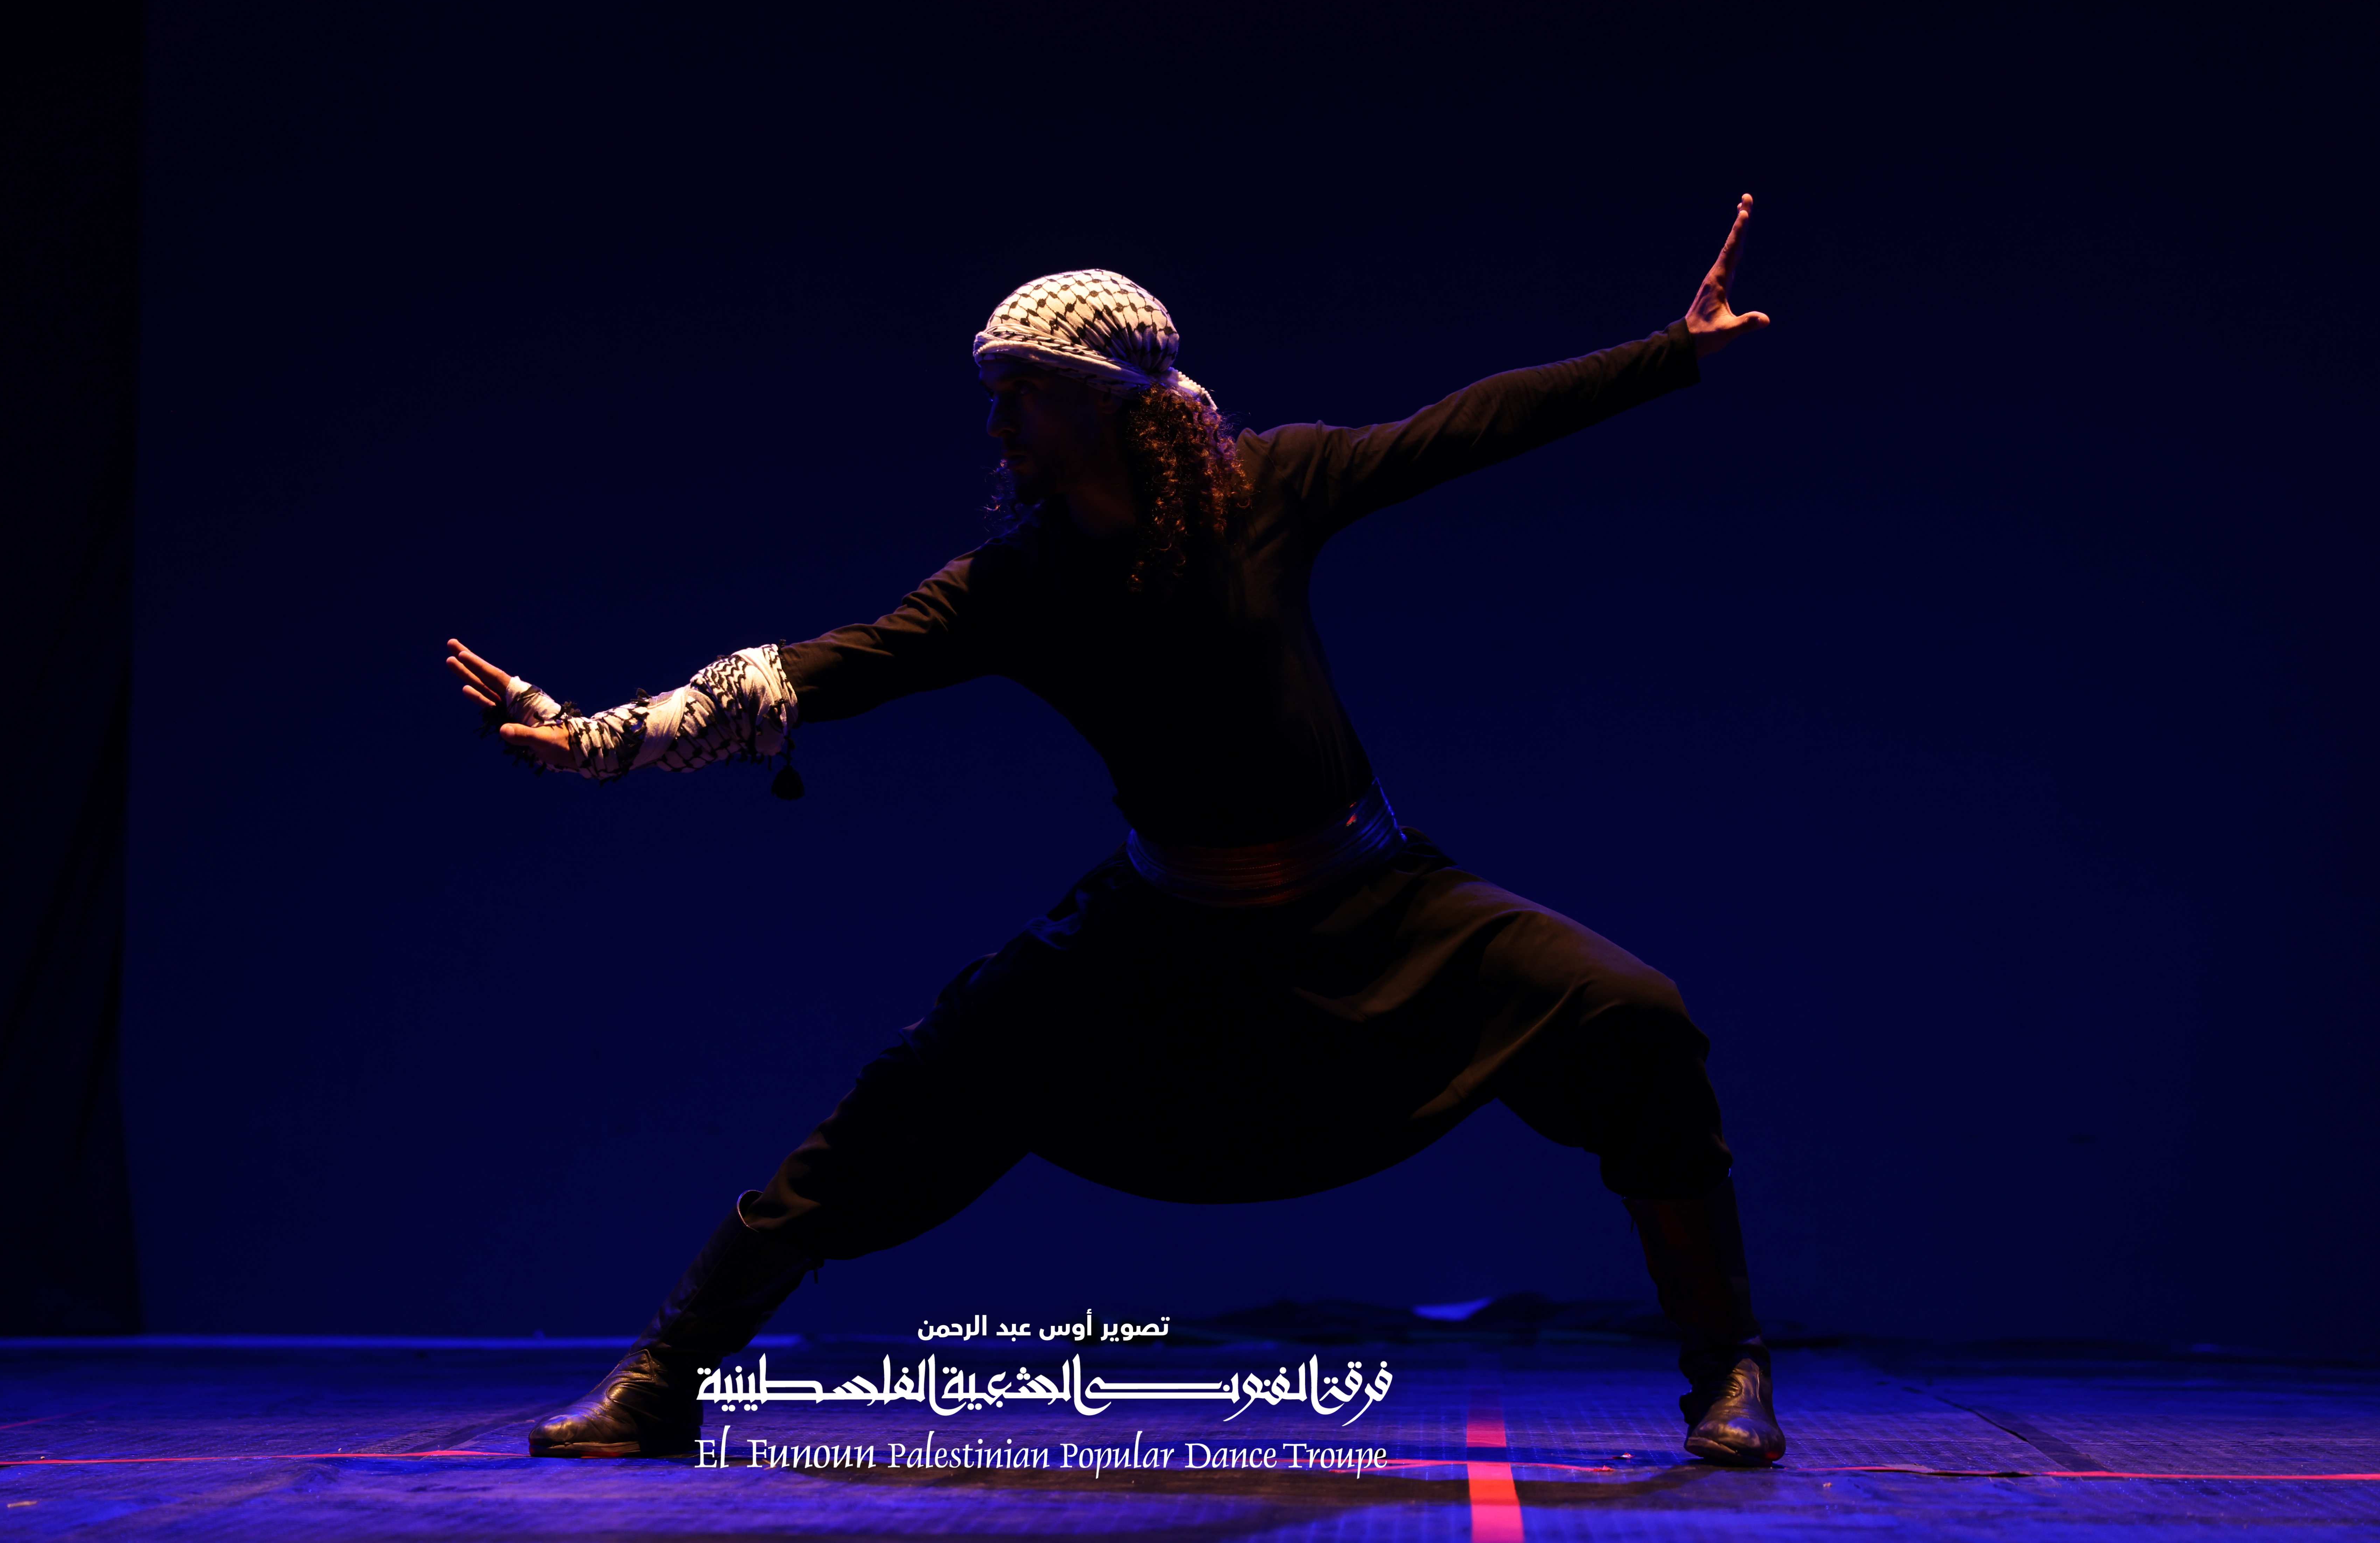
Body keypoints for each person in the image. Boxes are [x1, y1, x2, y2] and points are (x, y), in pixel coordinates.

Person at [444, 197, 1784, 1466]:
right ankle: (663, 1381)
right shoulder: (1019, 588)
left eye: (1019, 390)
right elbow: (813, 671)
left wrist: (1670, 354)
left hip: (1373, 902)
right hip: (1165, 932)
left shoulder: (1276, 487)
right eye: (995, 394)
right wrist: (601, 737)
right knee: (904, 1104)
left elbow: (1465, 427)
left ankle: (1727, 1370)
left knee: (1635, 1015)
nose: (998, 420)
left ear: (1105, 398)